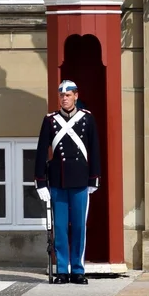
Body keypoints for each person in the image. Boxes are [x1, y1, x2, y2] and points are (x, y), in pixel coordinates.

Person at [34, 80, 101, 284]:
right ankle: (62, 269)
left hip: (80, 180)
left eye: (69, 95)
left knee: (79, 227)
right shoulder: (50, 120)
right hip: (58, 181)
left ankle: (78, 270)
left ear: (76, 96)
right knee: (60, 227)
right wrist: (40, 183)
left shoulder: (87, 119)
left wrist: (94, 179)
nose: (65, 98)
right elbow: (40, 152)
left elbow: (95, 150)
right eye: (62, 95)